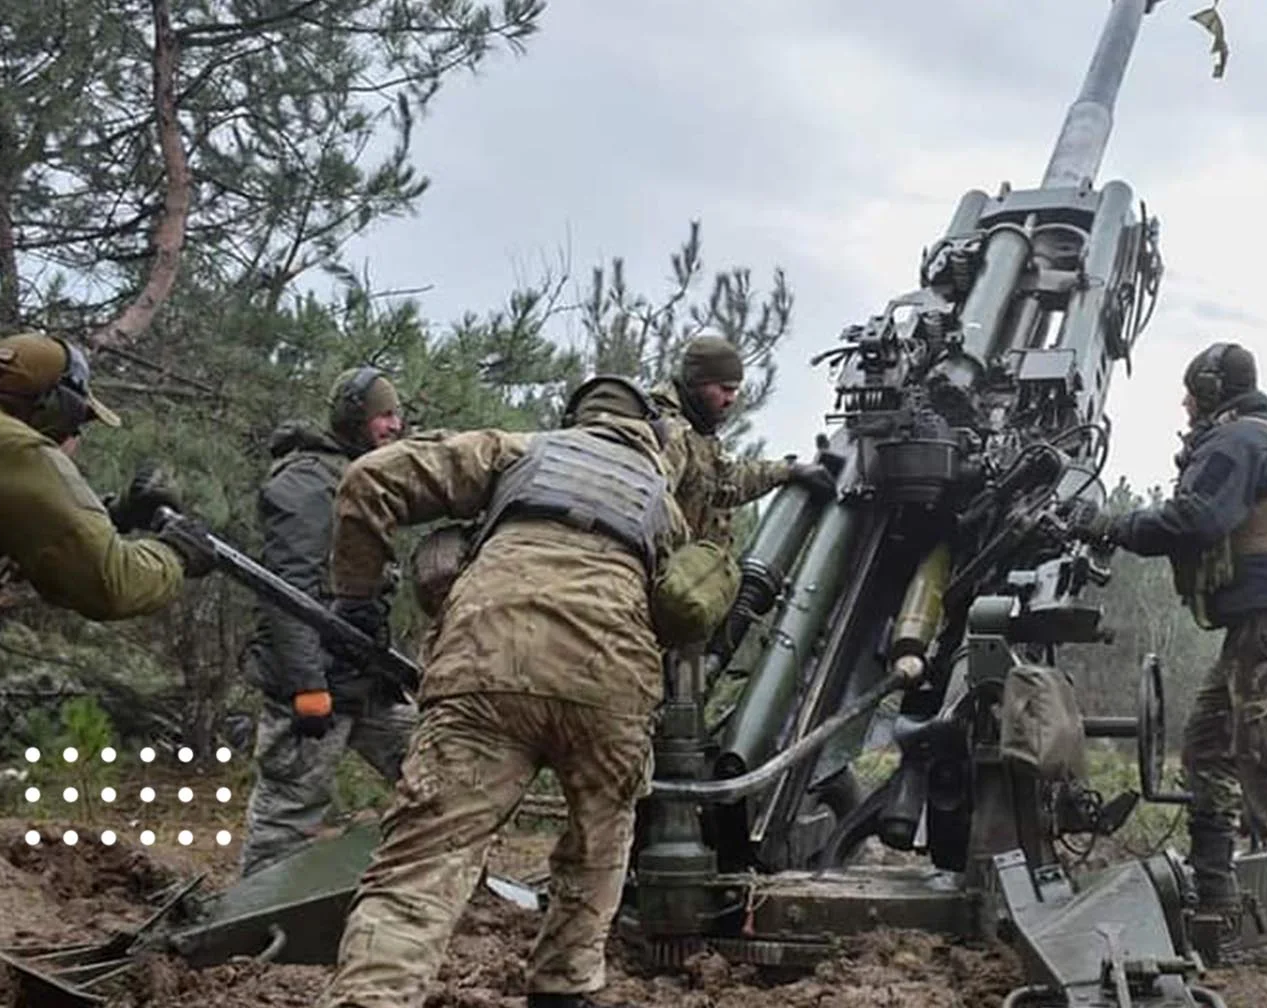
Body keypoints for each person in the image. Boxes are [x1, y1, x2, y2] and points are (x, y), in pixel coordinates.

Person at [315, 376, 690, 1008]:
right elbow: (686, 611)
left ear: (575, 421)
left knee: (425, 862)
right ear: (648, 434)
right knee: (598, 849)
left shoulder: (518, 451)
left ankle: (373, 997)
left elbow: (369, 479)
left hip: (488, 661)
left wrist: (357, 604)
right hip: (612, 683)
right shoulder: (665, 506)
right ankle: (563, 990)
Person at [1068, 341, 1267, 967]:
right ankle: (1215, 891)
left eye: (1190, 392)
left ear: (1210, 387)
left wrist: (1107, 525)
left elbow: (1197, 519)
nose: (1184, 403)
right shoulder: (1264, 436)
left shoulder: (1238, 442)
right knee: (1207, 746)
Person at [236, 365, 416, 878]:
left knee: (436, 774)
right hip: (317, 684)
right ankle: (249, 928)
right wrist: (306, 686)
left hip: (365, 681)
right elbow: (285, 592)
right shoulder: (308, 481)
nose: (395, 425)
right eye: (384, 415)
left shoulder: (357, 476)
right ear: (354, 419)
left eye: (397, 415)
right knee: (287, 813)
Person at [0, 333, 214, 622]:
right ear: (52, 406)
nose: (74, 434)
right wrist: (177, 552)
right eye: (77, 419)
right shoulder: (7, 445)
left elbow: (25, 535)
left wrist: (116, 515)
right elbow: (108, 583)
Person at [648, 334, 835, 547]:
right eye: (725, 389)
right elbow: (647, 506)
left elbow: (727, 480)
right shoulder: (667, 432)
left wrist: (789, 470)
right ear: (696, 382)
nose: (731, 399)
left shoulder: (698, 432)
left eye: (735, 390)